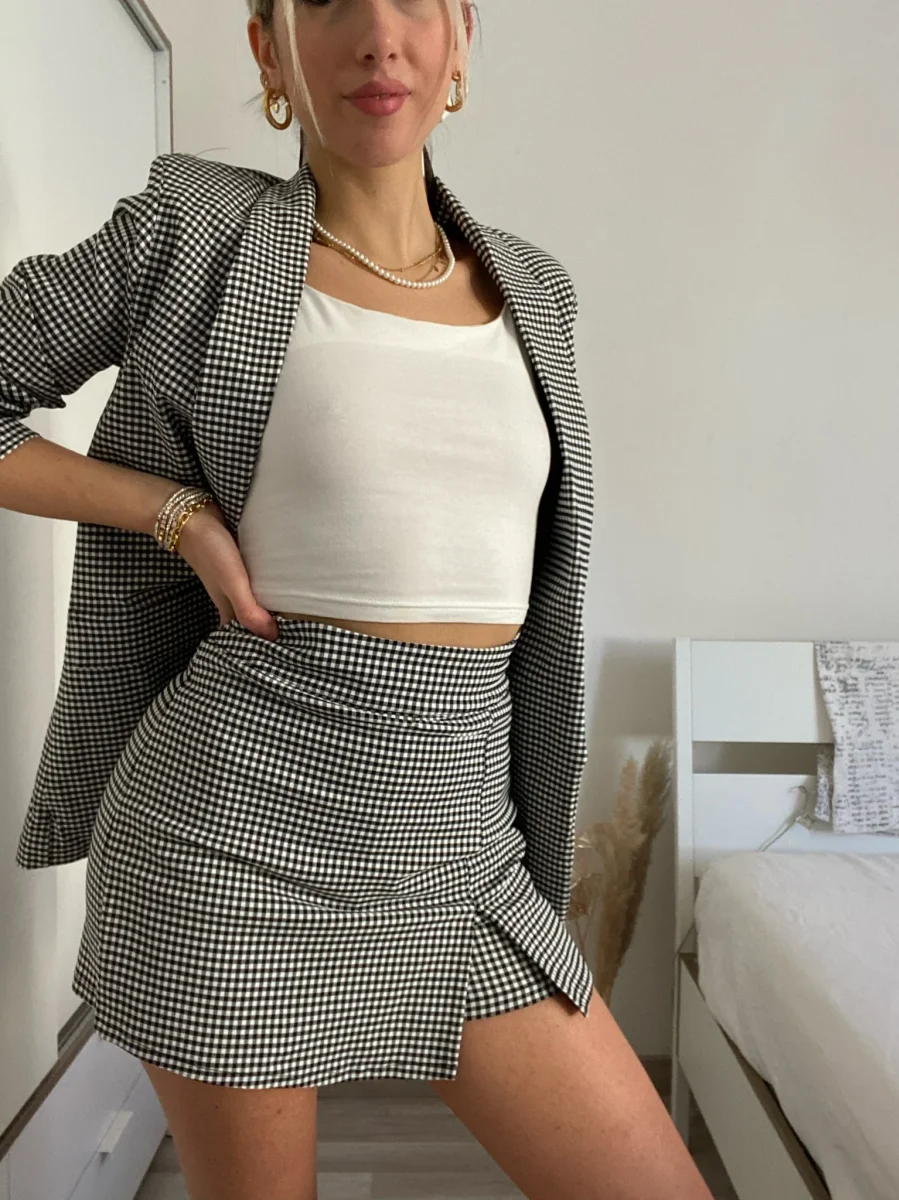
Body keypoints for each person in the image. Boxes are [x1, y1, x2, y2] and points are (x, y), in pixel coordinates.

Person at [0, 1, 715, 1197]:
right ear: (270, 45)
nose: (380, 36)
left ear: (460, 35)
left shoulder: (537, 288)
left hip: (461, 849)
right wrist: (172, 515)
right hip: (234, 841)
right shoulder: (194, 232)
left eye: (414, 1)